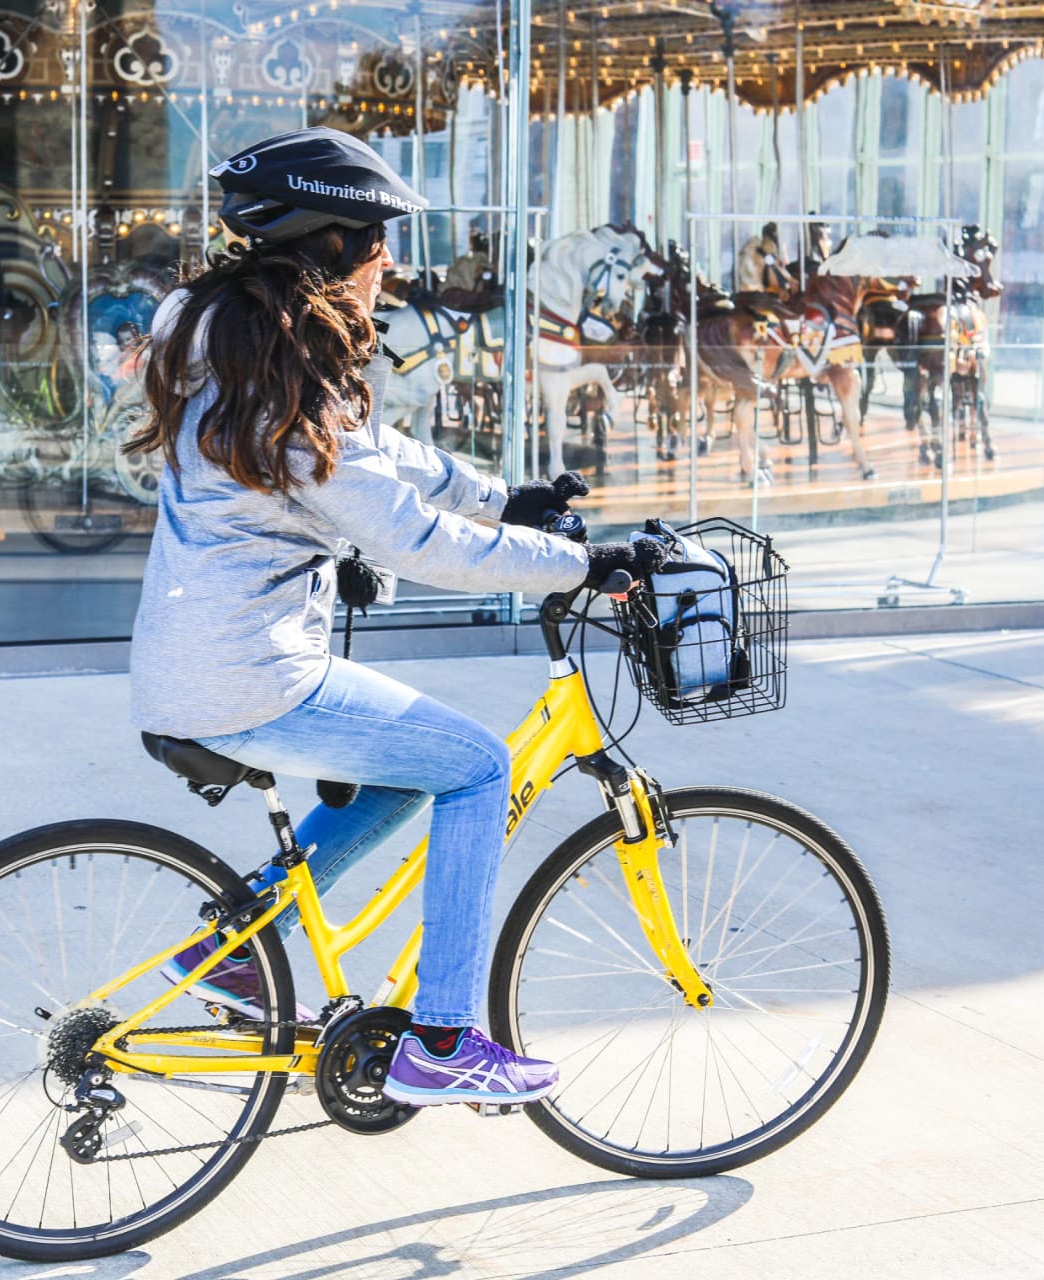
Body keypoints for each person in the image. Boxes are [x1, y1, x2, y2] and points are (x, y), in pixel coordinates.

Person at [124, 127, 663, 1109]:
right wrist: (580, 562)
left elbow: (381, 455)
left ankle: (232, 950)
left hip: (190, 660)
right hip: (252, 675)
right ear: (328, 249)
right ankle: (445, 1038)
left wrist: (510, 498)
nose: (392, 263)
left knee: (400, 779)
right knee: (476, 764)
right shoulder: (285, 397)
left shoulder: (231, 345)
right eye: (377, 242)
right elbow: (419, 540)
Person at [735, 222, 792, 294]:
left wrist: (789, 279)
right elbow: (749, 282)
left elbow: (781, 268)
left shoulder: (770, 253)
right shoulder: (755, 253)